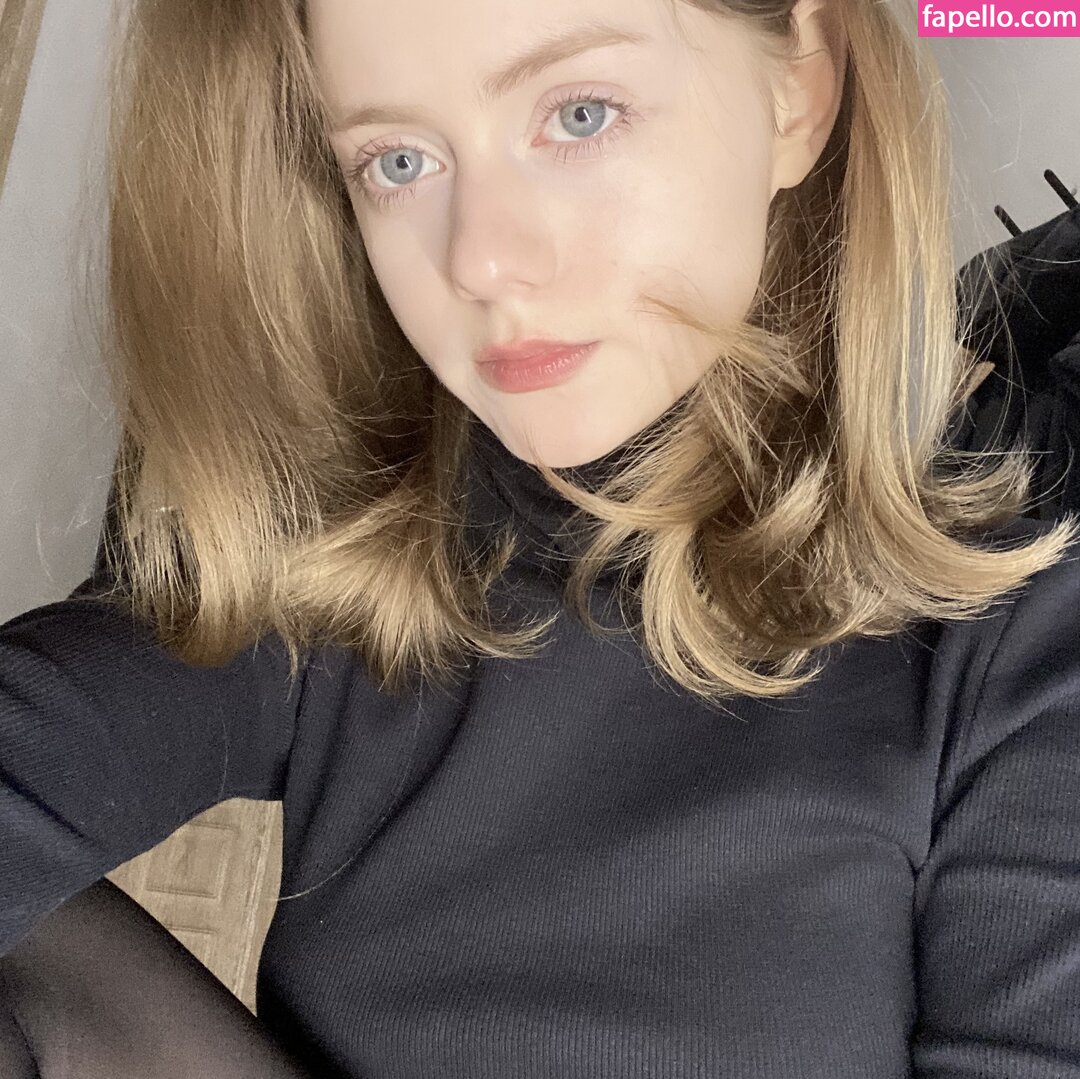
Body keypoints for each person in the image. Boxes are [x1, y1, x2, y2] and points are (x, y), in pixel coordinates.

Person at [2, 0, 1079, 1075]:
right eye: (398, 160)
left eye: (580, 114)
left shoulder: (1018, 613)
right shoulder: (364, 533)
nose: (481, 260)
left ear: (799, 86)